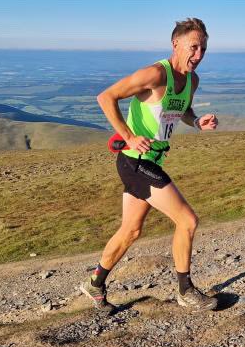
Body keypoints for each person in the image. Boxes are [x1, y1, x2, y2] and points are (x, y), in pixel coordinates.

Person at [80, 18, 219, 314]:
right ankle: (185, 291)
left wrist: (196, 121)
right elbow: (106, 97)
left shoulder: (192, 81)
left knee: (130, 230)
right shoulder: (155, 74)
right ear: (175, 44)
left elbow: (179, 110)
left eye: (203, 49)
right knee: (188, 221)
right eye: (193, 47)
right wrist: (129, 136)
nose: (198, 55)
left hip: (152, 160)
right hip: (135, 162)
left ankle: (95, 283)